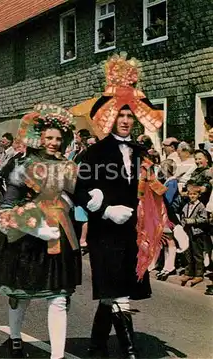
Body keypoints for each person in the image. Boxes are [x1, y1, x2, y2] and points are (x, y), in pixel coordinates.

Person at [74, 53, 170, 359]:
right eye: (121, 116)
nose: (126, 121)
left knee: (114, 292)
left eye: (130, 116)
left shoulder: (141, 151)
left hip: (131, 231)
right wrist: (102, 209)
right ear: (110, 117)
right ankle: (130, 350)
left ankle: (97, 344)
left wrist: (172, 221)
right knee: (118, 293)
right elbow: (79, 189)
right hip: (104, 232)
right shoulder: (95, 152)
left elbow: (153, 190)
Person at [0, 104, 81, 359]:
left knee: (59, 297)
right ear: (39, 138)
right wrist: (35, 226)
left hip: (59, 234)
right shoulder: (22, 166)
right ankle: (16, 337)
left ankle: (57, 356)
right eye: (49, 138)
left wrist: (92, 200)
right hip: (29, 238)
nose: (53, 143)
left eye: (58, 139)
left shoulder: (68, 166)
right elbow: (7, 207)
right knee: (22, 295)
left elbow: (78, 194)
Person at [180, 183, 209, 287]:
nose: (192, 196)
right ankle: (189, 272)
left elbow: (205, 219)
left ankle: (199, 274)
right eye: (190, 194)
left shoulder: (200, 206)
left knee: (197, 254)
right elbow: (183, 217)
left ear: (198, 195)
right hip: (187, 232)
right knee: (188, 253)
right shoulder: (186, 205)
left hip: (196, 233)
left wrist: (193, 220)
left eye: (194, 194)